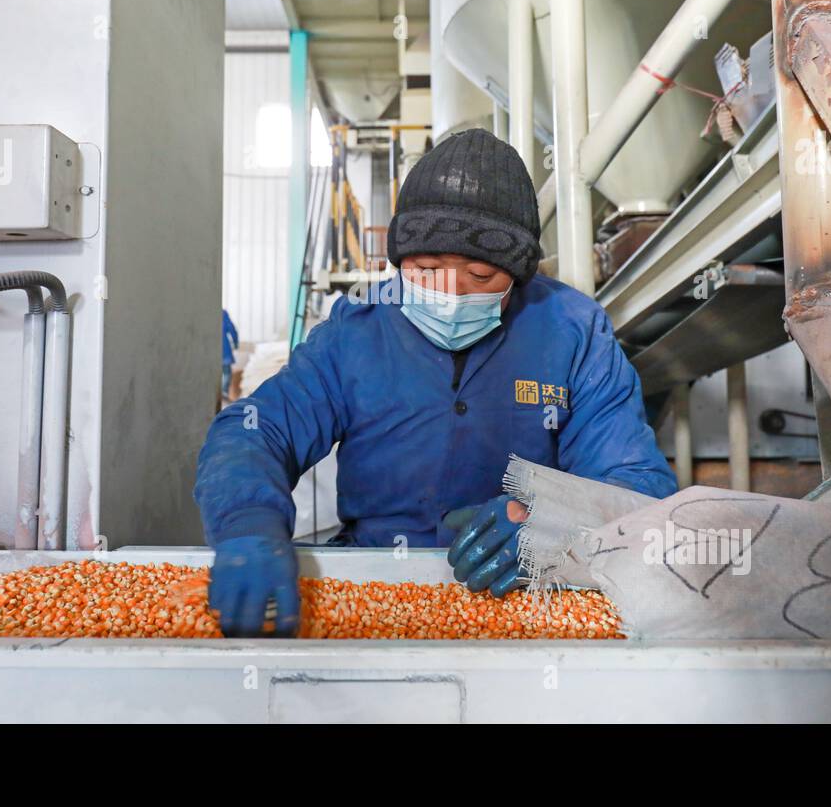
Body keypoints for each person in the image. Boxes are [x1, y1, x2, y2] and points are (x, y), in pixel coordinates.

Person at [194, 129, 677, 636]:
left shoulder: (572, 330)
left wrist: (550, 523)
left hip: (525, 588)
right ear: (399, 261)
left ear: (520, 275)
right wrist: (248, 522)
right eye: (426, 270)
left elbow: (636, 482)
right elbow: (255, 431)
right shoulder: (358, 328)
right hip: (374, 580)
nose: (452, 293)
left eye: (481, 276)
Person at [221, 308, 238, 400]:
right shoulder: (223, 313)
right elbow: (232, 329)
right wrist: (235, 343)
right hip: (224, 349)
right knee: (227, 373)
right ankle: (223, 391)